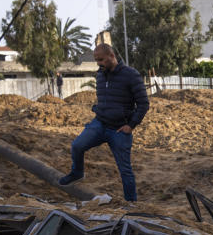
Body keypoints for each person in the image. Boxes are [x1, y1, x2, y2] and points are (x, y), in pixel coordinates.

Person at [59, 44, 149, 202]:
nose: (98, 63)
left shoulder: (131, 75)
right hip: (100, 124)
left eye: (101, 59)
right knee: (77, 146)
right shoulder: (100, 75)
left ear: (112, 56)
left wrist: (131, 125)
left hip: (120, 129)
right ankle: (77, 173)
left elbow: (143, 104)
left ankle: (132, 204)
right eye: (96, 60)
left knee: (125, 170)